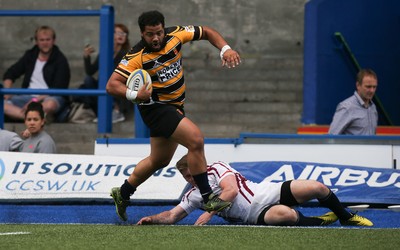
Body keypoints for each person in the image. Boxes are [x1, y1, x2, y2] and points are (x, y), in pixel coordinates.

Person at [106, 10, 241, 221]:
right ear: (142, 33)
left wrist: (225, 48)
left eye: (159, 32)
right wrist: (134, 94)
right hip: (156, 108)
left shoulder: (176, 35)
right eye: (150, 34)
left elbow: (207, 32)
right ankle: (207, 196)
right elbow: (111, 85)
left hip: (174, 107)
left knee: (158, 160)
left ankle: (122, 193)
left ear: (164, 29)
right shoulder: (136, 55)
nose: (156, 38)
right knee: (196, 140)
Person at [137, 155, 373, 227]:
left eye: (191, 173)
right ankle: (319, 221)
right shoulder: (192, 194)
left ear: (199, 167)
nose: (190, 179)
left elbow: (229, 191)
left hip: (266, 192)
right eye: (185, 177)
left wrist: (208, 213)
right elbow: (172, 216)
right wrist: (152, 219)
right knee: (288, 216)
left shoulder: (217, 168)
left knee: (317, 187)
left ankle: (346, 217)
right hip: (253, 215)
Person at [2, 25, 70, 122]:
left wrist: (34, 101)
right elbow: (10, 73)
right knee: (2, 104)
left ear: (53, 41)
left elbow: (57, 88)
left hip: (48, 97)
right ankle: (36, 118)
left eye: (48, 40)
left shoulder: (60, 60)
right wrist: (7, 91)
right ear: (37, 41)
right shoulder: (30, 55)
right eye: (42, 40)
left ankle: (31, 116)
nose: (45, 43)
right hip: (27, 96)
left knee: (50, 105)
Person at [79, 23, 131, 123]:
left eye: (124, 33)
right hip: (105, 87)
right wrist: (87, 57)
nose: (121, 35)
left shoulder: (127, 54)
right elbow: (90, 71)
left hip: (119, 87)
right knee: (88, 80)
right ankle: (100, 112)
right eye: (118, 33)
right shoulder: (106, 52)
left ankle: (117, 111)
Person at [328, 69, 378, 135]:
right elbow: (331, 137)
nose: (372, 90)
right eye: (368, 87)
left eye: (374, 87)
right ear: (358, 85)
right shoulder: (347, 107)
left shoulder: (373, 108)